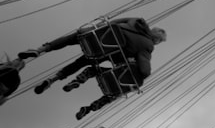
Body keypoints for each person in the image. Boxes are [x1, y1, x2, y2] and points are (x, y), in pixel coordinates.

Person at [20, 17, 166, 95]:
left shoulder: (136, 21)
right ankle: (54, 78)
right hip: (103, 52)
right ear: (156, 40)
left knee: (72, 39)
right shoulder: (147, 46)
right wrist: (142, 74)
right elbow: (144, 68)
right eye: (159, 41)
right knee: (82, 62)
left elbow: (113, 22)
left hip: (96, 36)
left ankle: (41, 49)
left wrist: (92, 29)